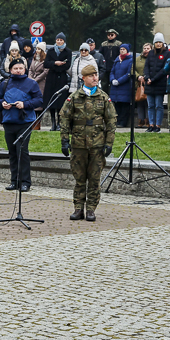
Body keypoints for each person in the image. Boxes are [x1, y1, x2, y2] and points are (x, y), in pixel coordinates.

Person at [60, 65, 117, 221]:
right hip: (78, 144)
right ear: (83, 78)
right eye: (91, 75)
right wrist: (64, 140)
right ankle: (78, 208)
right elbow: (64, 118)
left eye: (96, 75)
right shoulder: (74, 97)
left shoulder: (103, 97)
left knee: (94, 178)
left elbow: (111, 120)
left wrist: (109, 143)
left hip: (97, 144)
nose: (95, 78)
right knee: (79, 178)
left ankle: (91, 209)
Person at [0, 59, 43, 192]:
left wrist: (25, 104)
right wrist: (2, 104)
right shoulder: (5, 83)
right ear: (10, 70)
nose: (18, 70)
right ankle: (14, 181)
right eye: (15, 68)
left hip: (25, 122)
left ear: (25, 69)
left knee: (22, 151)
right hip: (9, 121)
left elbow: (39, 100)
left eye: (21, 68)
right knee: (12, 152)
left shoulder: (31, 83)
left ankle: (25, 182)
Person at [43, 33, 72, 130]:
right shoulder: (51, 51)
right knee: (52, 101)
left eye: (61, 40)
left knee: (60, 101)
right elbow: (46, 63)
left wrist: (59, 66)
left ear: (64, 41)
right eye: (58, 40)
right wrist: (55, 63)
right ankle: (53, 123)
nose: (59, 42)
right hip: (51, 78)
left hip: (62, 78)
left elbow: (67, 65)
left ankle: (59, 123)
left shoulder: (68, 51)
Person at [108, 44, 133, 129]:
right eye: (121, 49)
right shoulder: (117, 60)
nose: (122, 51)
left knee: (124, 105)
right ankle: (117, 121)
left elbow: (128, 73)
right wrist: (112, 80)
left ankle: (123, 122)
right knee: (117, 105)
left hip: (124, 86)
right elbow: (112, 71)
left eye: (124, 49)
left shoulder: (130, 60)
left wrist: (119, 81)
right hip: (115, 87)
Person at [133, 43, 149, 128]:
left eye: (148, 48)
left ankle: (148, 120)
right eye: (144, 48)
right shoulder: (137, 59)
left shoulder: (151, 58)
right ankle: (140, 120)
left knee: (148, 103)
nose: (146, 50)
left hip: (148, 83)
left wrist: (146, 77)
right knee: (140, 102)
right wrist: (138, 76)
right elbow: (132, 69)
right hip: (139, 84)